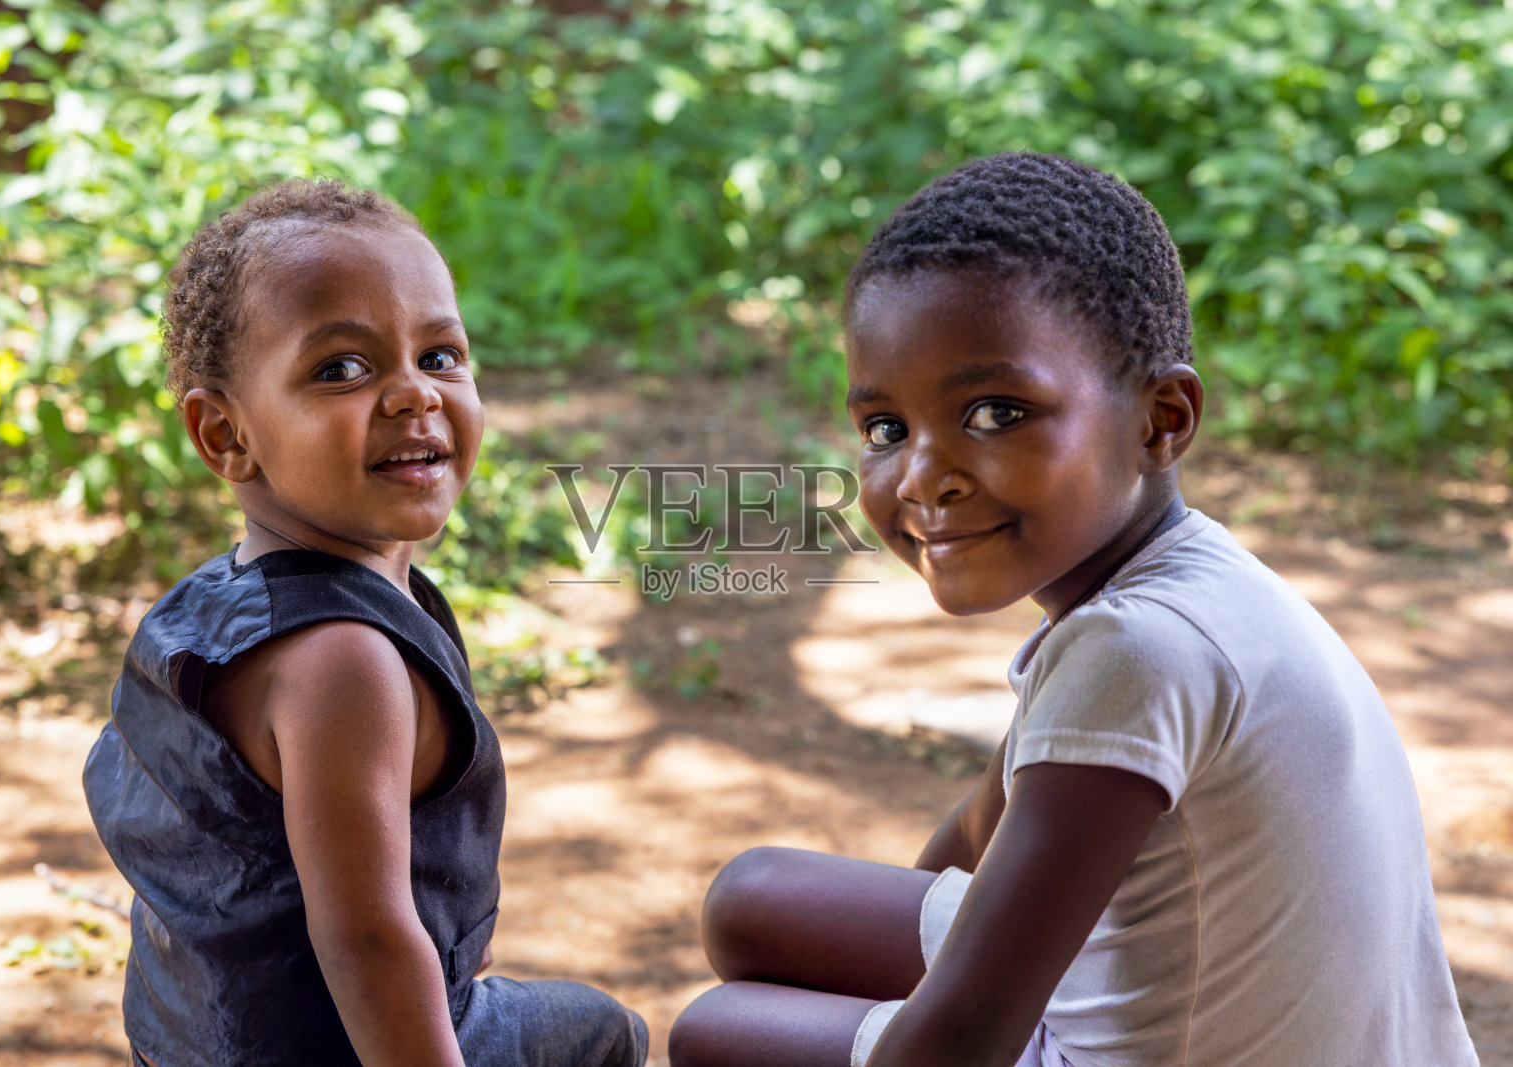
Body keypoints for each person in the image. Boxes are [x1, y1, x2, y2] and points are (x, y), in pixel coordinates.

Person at [669, 153, 1479, 1067]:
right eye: (886, 430)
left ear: (1160, 419)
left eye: (996, 412)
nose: (923, 475)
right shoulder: (1195, 584)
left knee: (718, 1035)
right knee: (753, 897)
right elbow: (982, 830)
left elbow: (957, 1047)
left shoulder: (1134, 652)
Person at [83, 179, 648, 1067]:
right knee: (604, 1031)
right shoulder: (343, 661)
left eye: (440, 356)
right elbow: (372, 942)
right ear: (225, 433)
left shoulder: (202, 610)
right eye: (342, 369)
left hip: (196, 1041)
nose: (412, 394)